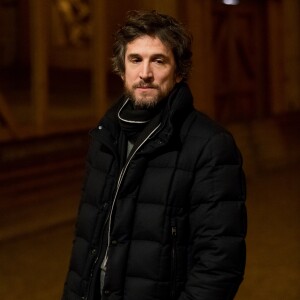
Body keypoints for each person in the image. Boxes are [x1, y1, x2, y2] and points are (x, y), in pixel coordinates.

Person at [62, 10, 247, 300]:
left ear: (179, 71)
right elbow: (86, 243)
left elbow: (220, 263)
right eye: (135, 59)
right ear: (122, 69)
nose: (145, 73)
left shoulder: (210, 145)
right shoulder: (104, 137)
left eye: (158, 60)